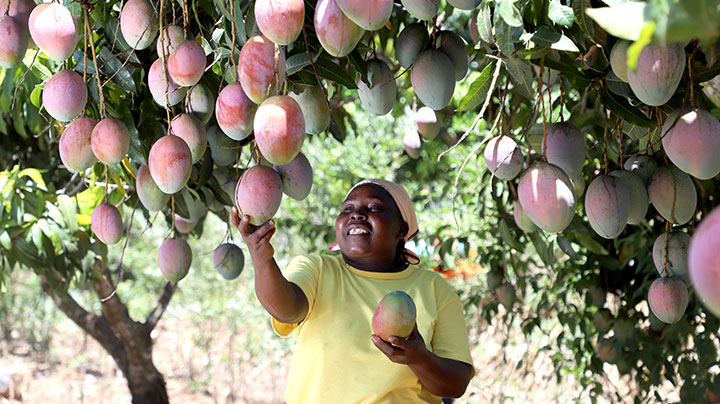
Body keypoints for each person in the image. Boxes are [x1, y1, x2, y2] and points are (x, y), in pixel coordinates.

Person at [232, 178, 474, 403]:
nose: (357, 214)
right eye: (347, 209)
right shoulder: (318, 269)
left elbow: (456, 384)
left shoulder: (434, 289)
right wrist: (261, 256)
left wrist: (420, 358)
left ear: (401, 229)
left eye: (374, 208)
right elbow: (287, 310)